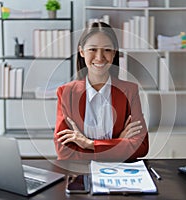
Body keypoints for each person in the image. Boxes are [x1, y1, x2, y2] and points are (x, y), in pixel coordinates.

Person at [54, 22, 149, 161]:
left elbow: (141, 146)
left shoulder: (130, 91)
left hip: (120, 173)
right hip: (80, 174)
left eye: (107, 50)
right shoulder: (67, 93)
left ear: (114, 52)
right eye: (92, 49)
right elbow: (64, 152)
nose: (99, 57)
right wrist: (118, 144)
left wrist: (89, 144)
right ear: (81, 51)